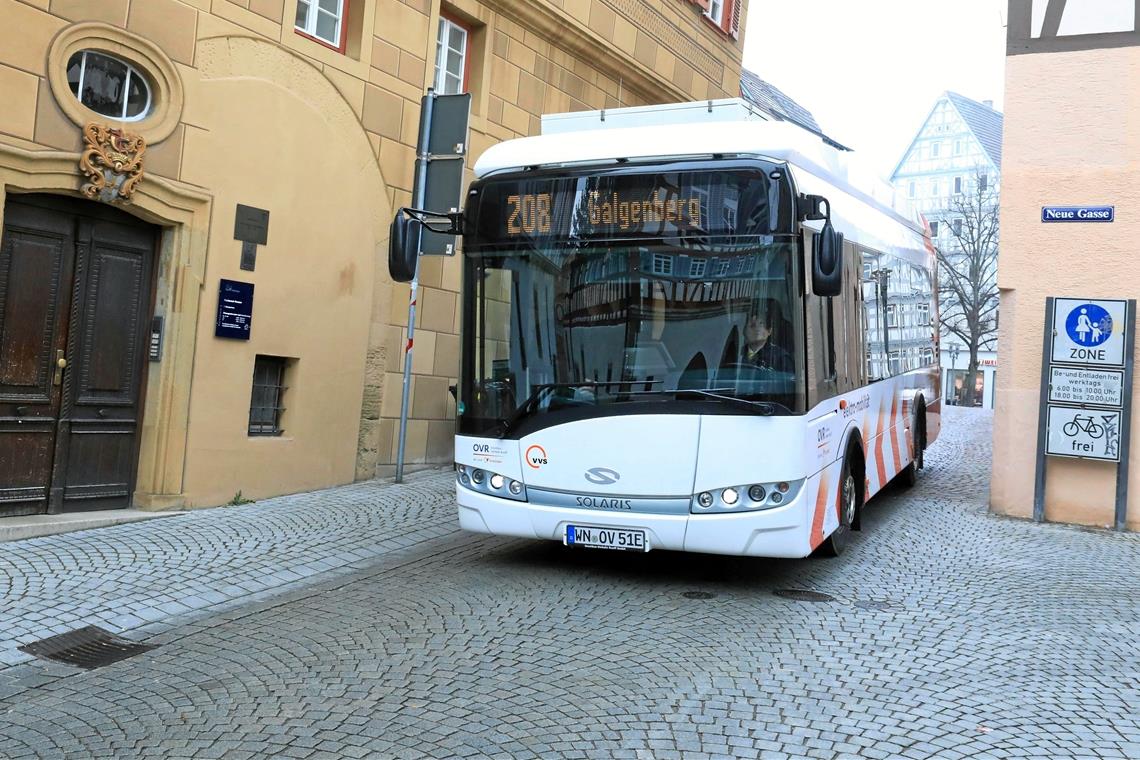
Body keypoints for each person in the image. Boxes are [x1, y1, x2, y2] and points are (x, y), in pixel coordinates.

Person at [741, 301, 793, 372]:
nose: (757, 328)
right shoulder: (736, 355)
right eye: (752, 325)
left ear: (769, 331)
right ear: (744, 331)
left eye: (761, 323)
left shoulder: (781, 358)